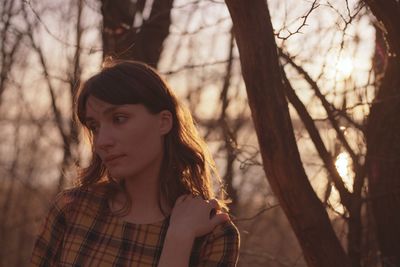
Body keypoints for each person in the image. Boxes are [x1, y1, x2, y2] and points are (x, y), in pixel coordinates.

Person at [30, 60, 240, 266]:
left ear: (164, 122)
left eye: (119, 119)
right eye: (95, 127)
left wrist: (179, 237)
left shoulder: (212, 234)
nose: (102, 142)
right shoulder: (72, 209)